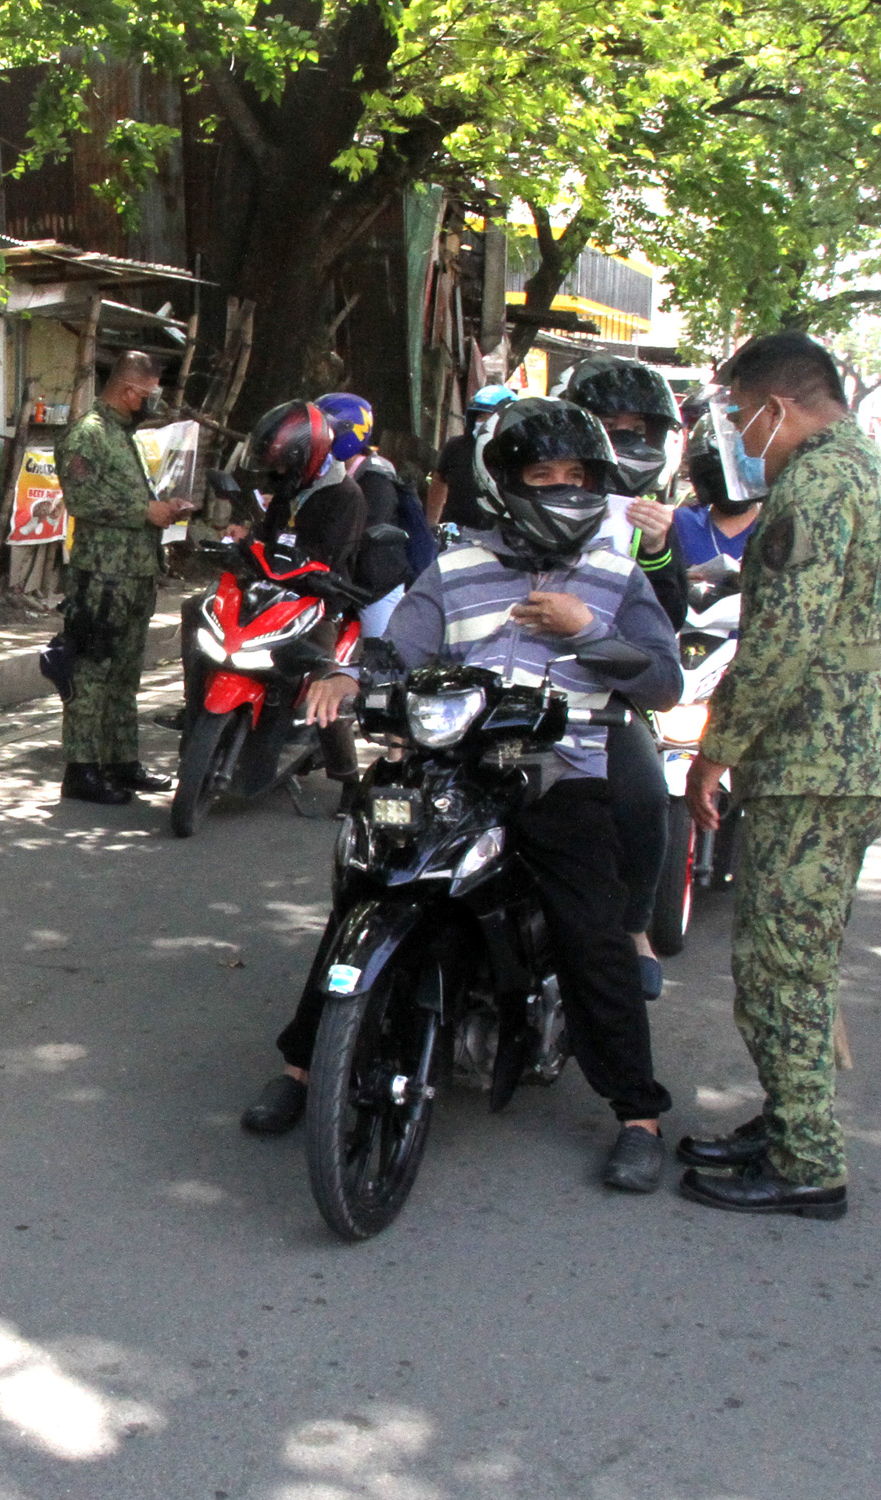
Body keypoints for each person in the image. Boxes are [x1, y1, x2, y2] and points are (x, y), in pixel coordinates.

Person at [248, 397, 684, 1194]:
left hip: (561, 777)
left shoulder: (616, 579)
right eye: (543, 475)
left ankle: (639, 1114)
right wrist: (346, 675)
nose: (562, 487)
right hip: (448, 770)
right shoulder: (454, 570)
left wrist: (587, 628)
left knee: (592, 930)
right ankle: (305, 1065)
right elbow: (395, 651)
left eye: (578, 476)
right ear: (509, 484)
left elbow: (662, 681)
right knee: (365, 892)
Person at [678, 331, 881, 1219]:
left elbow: (782, 641)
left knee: (782, 967)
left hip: (814, 767)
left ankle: (808, 1162)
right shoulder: (879, 477)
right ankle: (788, 1120)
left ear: (778, 404)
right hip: (866, 757)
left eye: (743, 415)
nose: (741, 435)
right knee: (801, 956)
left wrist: (718, 748)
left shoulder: (813, 488)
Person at [560, 355, 690, 998]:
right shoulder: (522, 480)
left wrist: (663, 548)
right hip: (509, 683)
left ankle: (634, 927)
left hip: (606, 694)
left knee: (644, 796)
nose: (620, 440)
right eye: (606, 425)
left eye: (636, 429)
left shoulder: (653, 519)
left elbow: (664, 629)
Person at [181, 399, 365, 798]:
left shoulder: (345, 496)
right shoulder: (288, 490)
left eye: (281, 465)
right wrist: (242, 545)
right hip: (268, 593)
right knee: (196, 609)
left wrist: (304, 569)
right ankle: (194, 706)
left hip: (317, 603)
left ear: (307, 457)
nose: (275, 473)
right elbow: (267, 536)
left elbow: (329, 557)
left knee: (323, 678)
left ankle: (349, 778)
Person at [56, 351, 194, 805]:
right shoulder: (88, 435)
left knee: (125, 674)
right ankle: (82, 769)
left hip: (136, 573)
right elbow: (80, 500)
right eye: (148, 395)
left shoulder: (123, 435)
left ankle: (120, 761)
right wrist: (145, 512)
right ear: (130, 390)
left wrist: (164, 510)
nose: (150, 404)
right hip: (102, 576)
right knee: (92, 672)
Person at [313, 390, 433, 643]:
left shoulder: (377, 481)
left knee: (381, 659)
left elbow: (355, 533)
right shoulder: (328, 471)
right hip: (336, 579)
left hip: (375, 584)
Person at [666, 415, 763, 568]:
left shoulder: (775, 525)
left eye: (739, 476)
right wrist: (684, 581)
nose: (732, 487)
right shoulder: (681, 522)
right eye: (719, 477)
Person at [427, 384, 516, 528]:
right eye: (480, 416)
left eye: (491, 417)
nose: (484, 423)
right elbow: (438, 482)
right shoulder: (456, 446)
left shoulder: (516, 452)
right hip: (456, 532)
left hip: (500, 535)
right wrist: (431, 525)